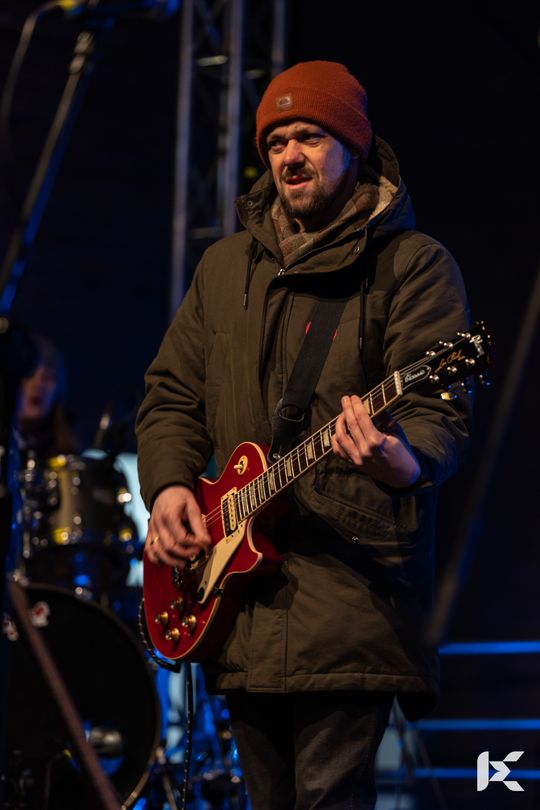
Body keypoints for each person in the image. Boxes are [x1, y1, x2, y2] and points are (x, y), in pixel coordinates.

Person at [136, 61, 472, 810]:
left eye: (310, 137)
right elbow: (171, 395)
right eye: (276, 140)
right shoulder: (224, 268)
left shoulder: (412, 265)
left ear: (354, 146)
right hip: (238, 601)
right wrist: (168, 488)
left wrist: (401, 460)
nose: (289, 155)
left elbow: (440, 413)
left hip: (352, 595)